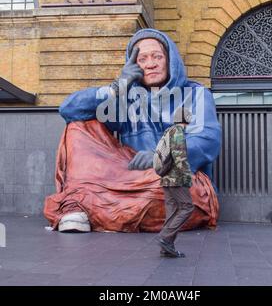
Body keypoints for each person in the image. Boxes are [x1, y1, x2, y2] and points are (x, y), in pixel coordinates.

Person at [44, 28, 221, 233]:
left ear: (170, 59)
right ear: (133, 65)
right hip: (128, 178)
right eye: (142, 58)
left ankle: (91, 206)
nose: (151, 63)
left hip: (176, 178)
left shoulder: (194, 94)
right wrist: (116, 87)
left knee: (171, 190)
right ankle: (98, 205)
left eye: (157, 56)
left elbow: (207, 140)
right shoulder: (127, 98)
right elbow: (69, 109)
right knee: (79, 126)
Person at [154, 107, 194, 258]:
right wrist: (188, 176)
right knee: (187, 207)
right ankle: (165, 237)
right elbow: (179, 157)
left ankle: (167, 247)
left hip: (166, 179)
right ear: (186, 118)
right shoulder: (177, 131)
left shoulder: (168, 131)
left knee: (172, 211)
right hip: (176, 179)